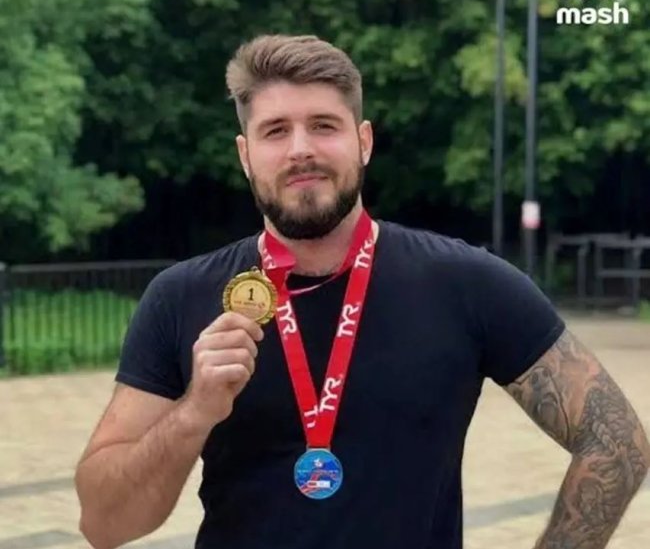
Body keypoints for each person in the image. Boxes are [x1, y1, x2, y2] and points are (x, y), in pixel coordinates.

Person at [75, 34, 650, 549]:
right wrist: (194, 412)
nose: (300, 149)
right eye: (275, 130)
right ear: (246, 156)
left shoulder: (466, 283)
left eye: (324, 125)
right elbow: (105, 525)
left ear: (364, 141)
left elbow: (616, 441)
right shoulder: (181, 297)